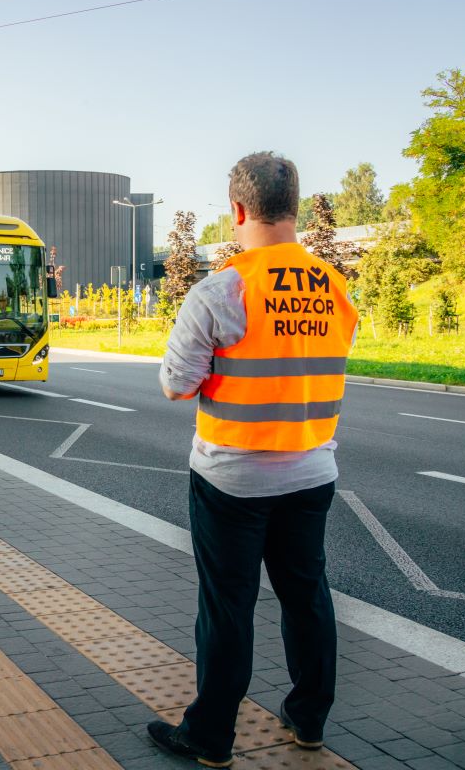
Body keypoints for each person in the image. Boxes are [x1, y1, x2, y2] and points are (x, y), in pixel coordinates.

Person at [148, 152, 358, 768]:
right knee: (307, 596)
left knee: (228, 606)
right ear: (292, 209)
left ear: (238, 210)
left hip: (232, 477)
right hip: (313, 470)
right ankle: (309, 717)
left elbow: (175, 385)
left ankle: (210, 738)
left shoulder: (222, 290)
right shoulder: (336, 287)